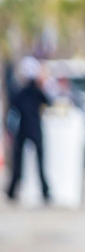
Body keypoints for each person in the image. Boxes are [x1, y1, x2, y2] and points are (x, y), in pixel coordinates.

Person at [6, 58, 52, 203]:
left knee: (18, 163)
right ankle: (44, 192)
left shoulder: (20, 92)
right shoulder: (37, 92)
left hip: (23, 128)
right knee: (40, 162)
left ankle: (13, 191)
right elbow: (48, 102)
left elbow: (13, 107)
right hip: (35, 128)